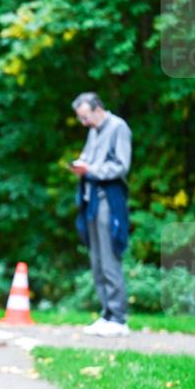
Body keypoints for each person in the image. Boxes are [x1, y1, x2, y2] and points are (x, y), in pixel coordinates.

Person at [69, 92, 132, 338]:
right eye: (80, 119)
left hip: (109, 199)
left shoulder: (118, 128)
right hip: (91, 200)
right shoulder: (93, 130)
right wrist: (80, 165)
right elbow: (88, 157)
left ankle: (119, 318)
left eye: (85, 117)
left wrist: (91, 169)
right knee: (96, 261)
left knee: (109, 258)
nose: (84, 123)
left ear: (98, 109)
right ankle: (107, 314)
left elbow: (121, 165)